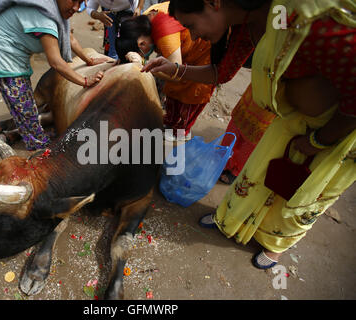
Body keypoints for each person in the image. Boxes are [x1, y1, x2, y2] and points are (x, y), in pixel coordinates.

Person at [142, 0, 355, 269]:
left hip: (337, 131)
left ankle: (275, 246)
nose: (193, 37)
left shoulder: (306, 17)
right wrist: (175, 69)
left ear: (213, 3)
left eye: (192, 26)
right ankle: (229, 222)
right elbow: (222, 73)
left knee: (302, 194)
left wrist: (319, 140)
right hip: (288, 119)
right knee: (255, 176)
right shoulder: (246, 25)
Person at [0, 0, 107, 151]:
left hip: (15, 51)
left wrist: (89, 60)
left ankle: (14, 128)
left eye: (81, 2)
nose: (76, 8)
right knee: (25, 107)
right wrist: (85, 81)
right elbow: (56, 62)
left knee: (23, 103)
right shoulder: (45, 17)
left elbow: (69, 38)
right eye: (73, 0)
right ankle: (38, 145)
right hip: (4, 53)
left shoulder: (53, 10)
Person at [116, 1, 214, 141]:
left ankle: (181, 135)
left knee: (189, 94)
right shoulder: (144, 21)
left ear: (141, 44)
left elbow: (177, 74)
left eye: (140, 52)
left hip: (202, 53)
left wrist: (144, 64)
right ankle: (172, 125)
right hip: (184, 51)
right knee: (173, 95)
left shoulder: (164, 32)